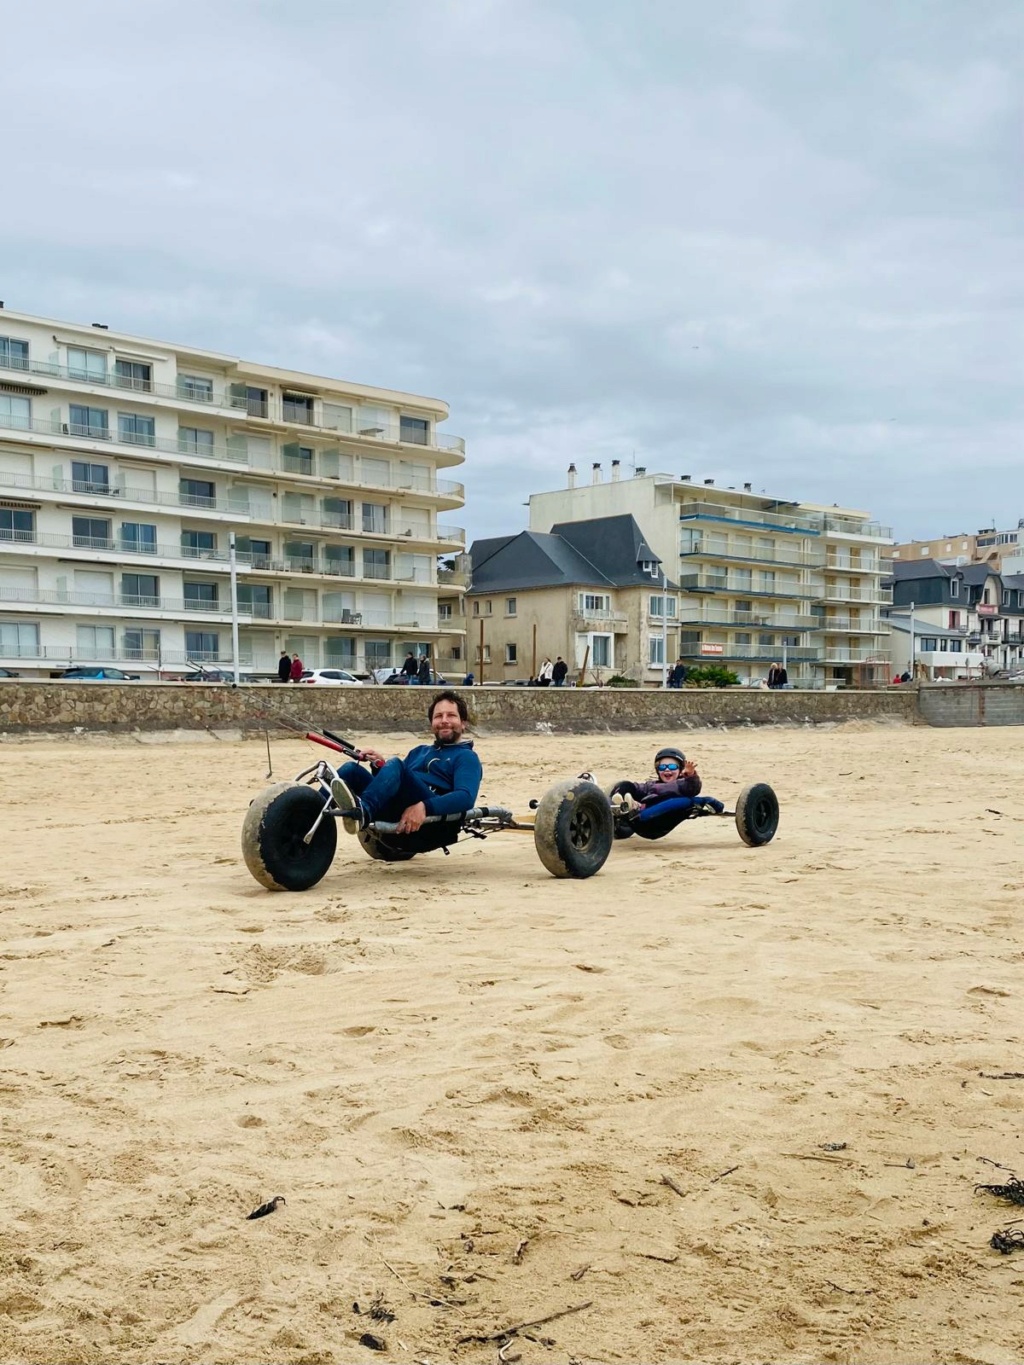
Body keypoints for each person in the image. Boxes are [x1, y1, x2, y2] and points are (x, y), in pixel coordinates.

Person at [330, 691, 483, 849]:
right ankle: (310, 813)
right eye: (438, 716)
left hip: (431, 827)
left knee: (395, 764)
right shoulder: (419, 751)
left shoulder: (466, 756)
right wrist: (380, 766)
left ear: (463, 723)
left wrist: (425, 806)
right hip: (396, 815)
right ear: (432, 723)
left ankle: (363, 811)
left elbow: (465, 797)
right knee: (351, 770)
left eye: (451, 715)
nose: (444, 721)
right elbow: (397, 783)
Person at [611, 746, 723, 838]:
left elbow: (693, 788)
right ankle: (621, 806)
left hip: (656, 820)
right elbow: (635, 787)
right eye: (662, 767)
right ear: (657, 770)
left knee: (683, 801)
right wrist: (622, 789)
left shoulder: (683, 784)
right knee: (626, 785)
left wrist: (691, 776)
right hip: (637, 822)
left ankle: (635, 808)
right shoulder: (651, 786)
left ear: (680, 770)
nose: (667, 770)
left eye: (672, 766)